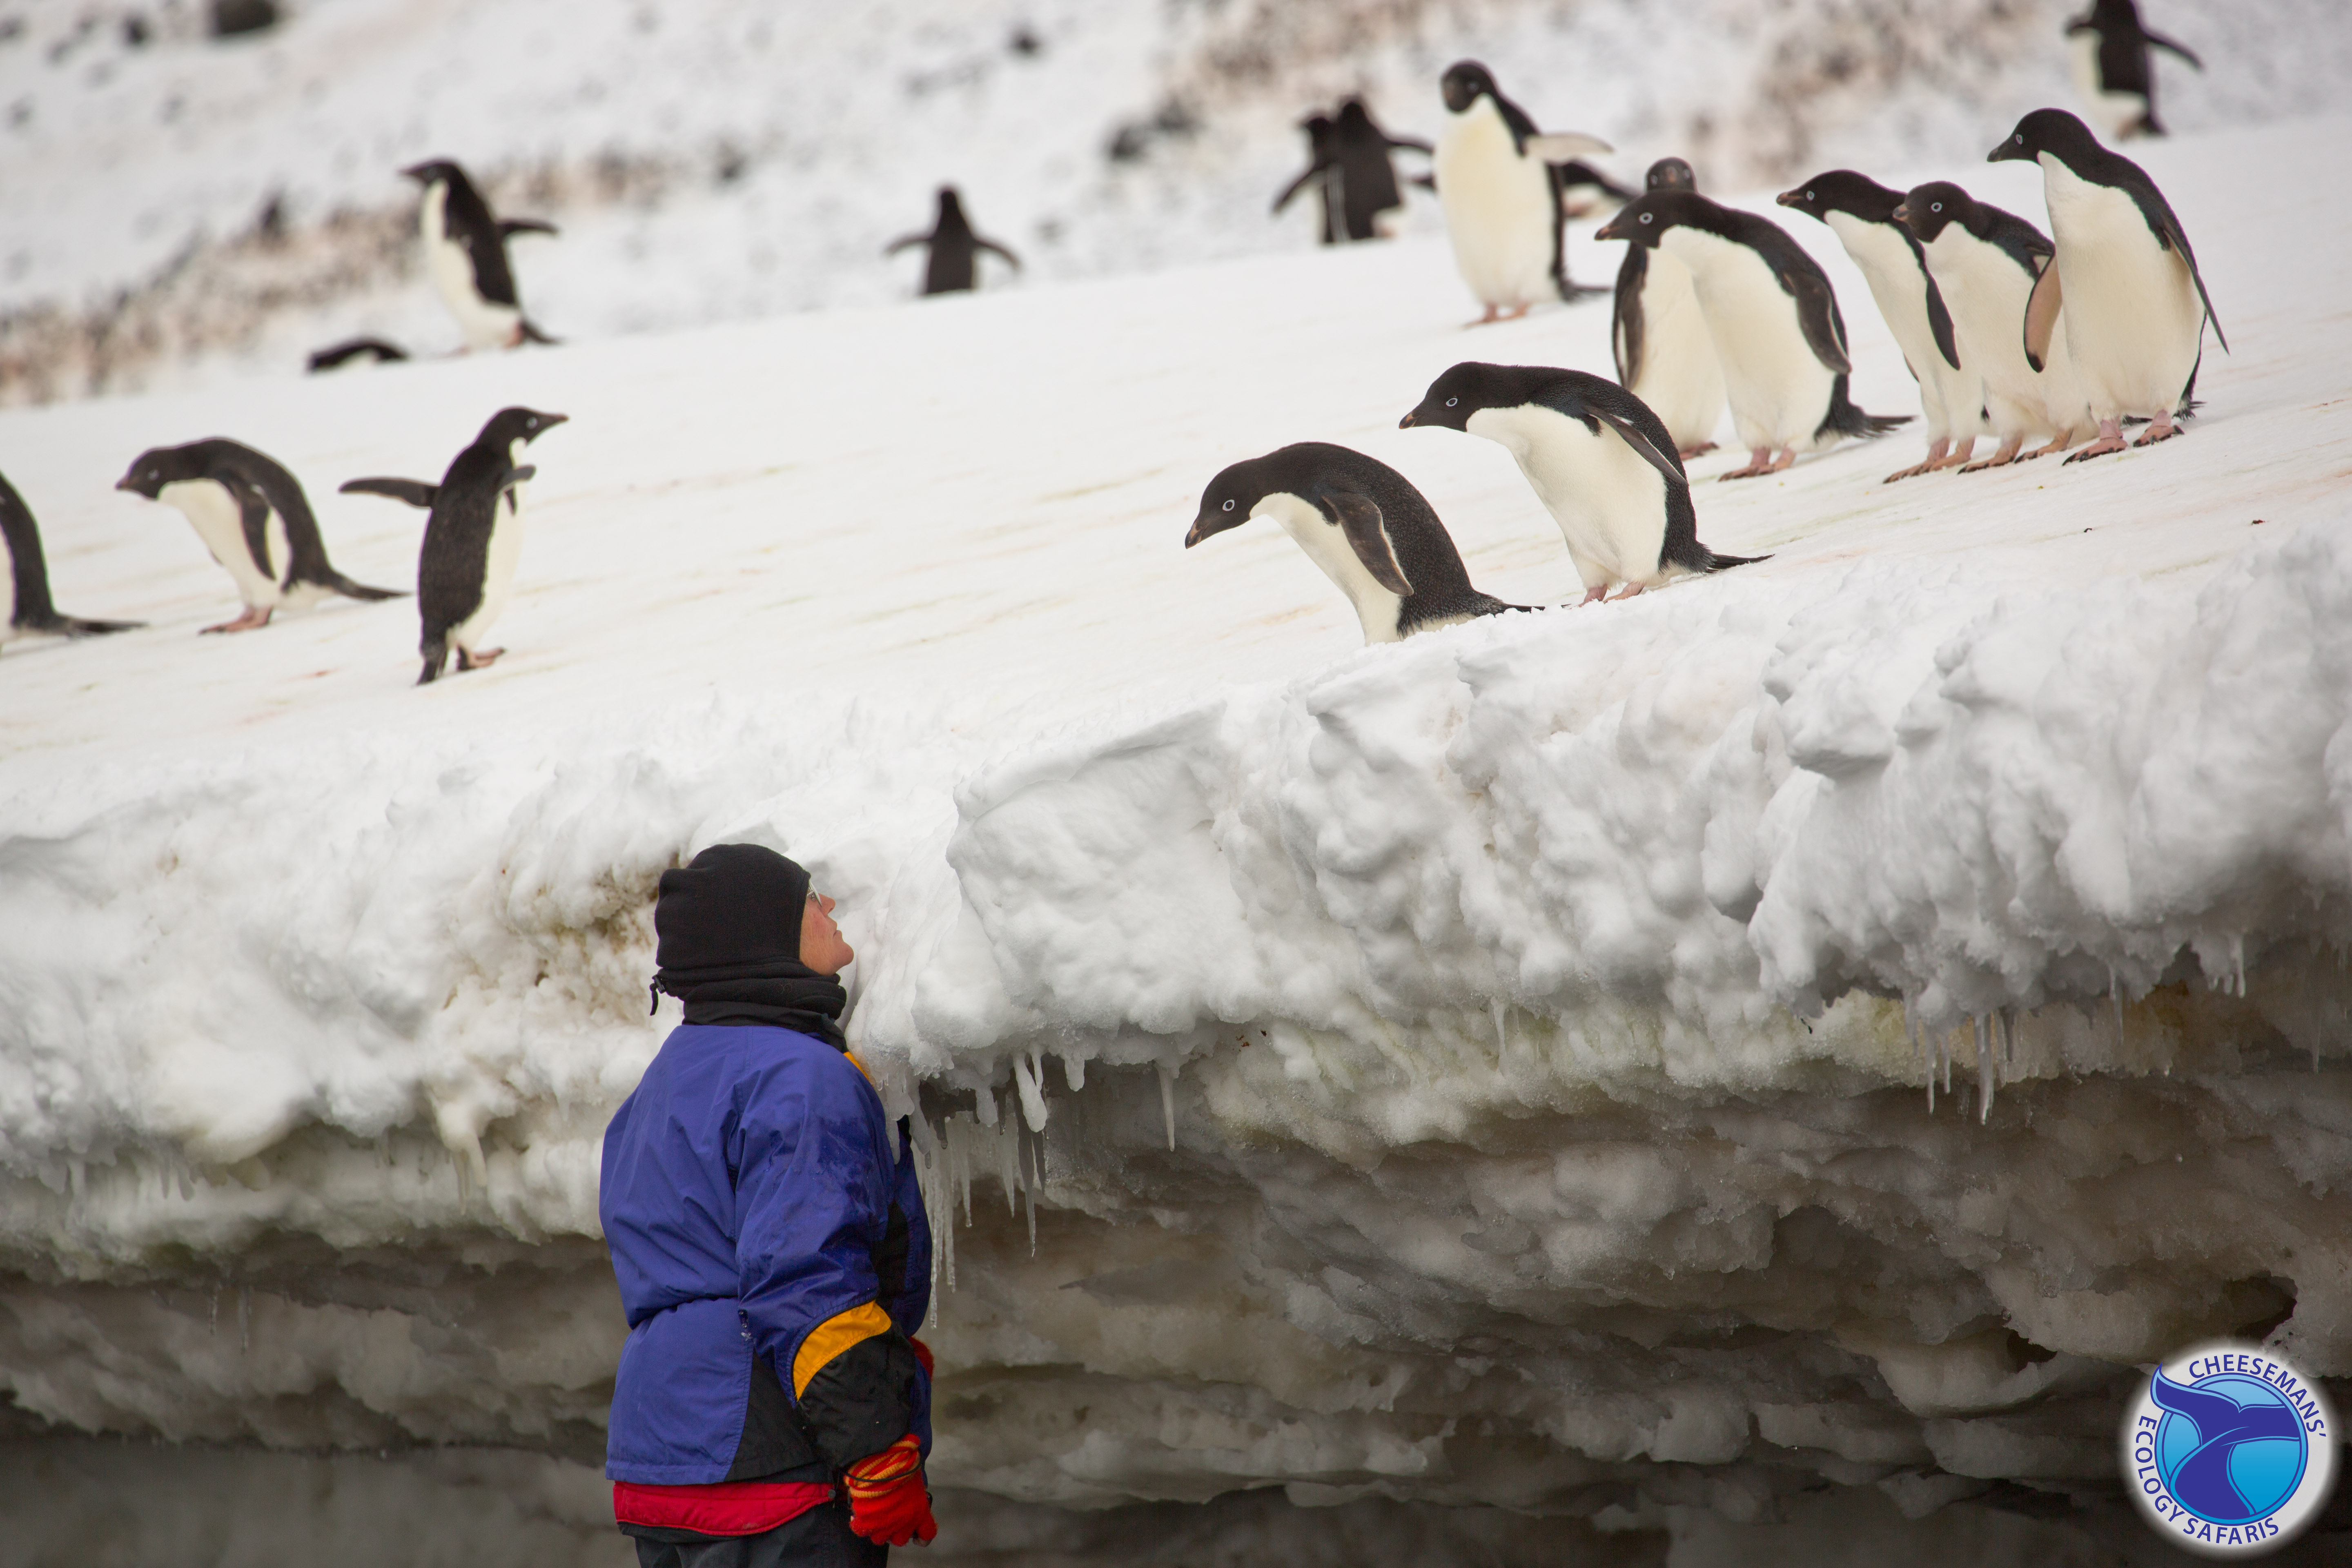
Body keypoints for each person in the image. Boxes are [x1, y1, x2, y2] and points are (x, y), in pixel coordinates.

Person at [601, 843, 935, 1566]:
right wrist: (875, 1447)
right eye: (811, 898)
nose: (831, 908)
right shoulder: (799, 1076)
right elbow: (806, 1283)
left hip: (660, 1460)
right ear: (765, 934)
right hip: (765, 1462)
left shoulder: (661, 1085)